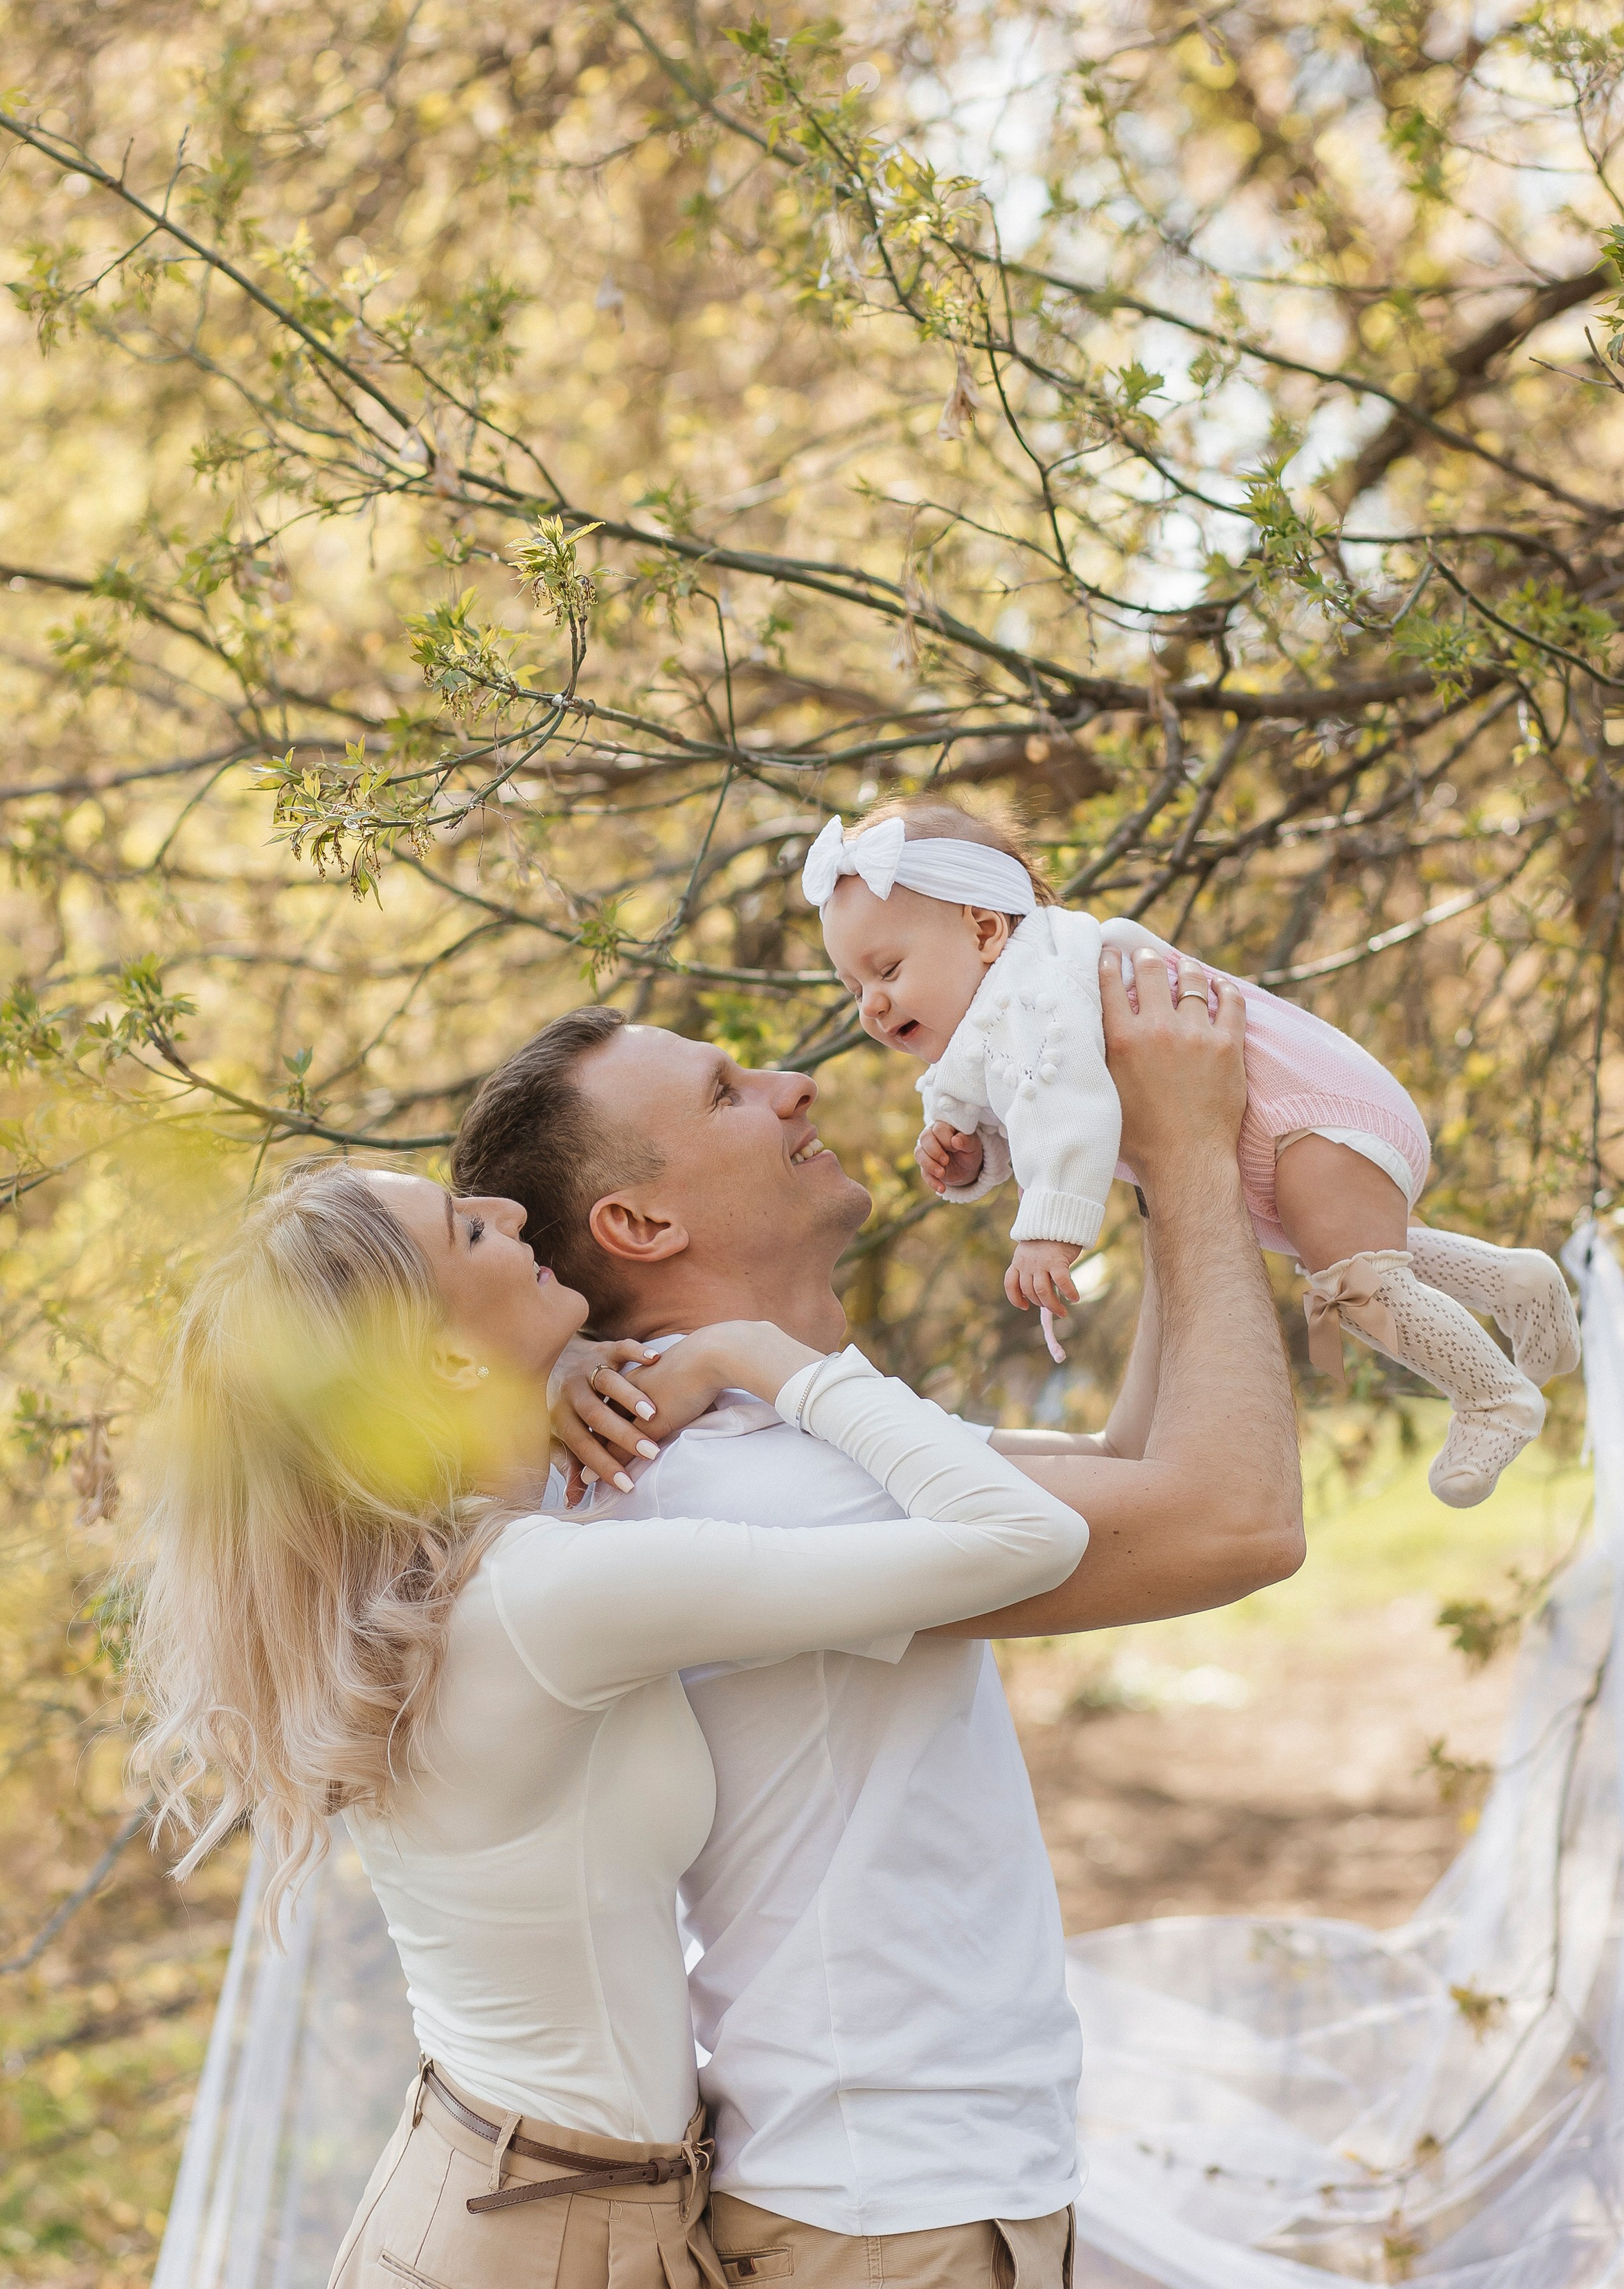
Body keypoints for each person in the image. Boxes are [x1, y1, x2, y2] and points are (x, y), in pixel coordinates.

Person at [449, 937, 1305, 2289]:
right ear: (640, 1227)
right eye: (729, 1093)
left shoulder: (773, 1431)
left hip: (910, 2190)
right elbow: (1231, 1521)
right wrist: (1198, 1159)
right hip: (887, 2217)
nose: (794, 1085)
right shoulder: (748, 1482)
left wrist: (1144, 1166)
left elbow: (1145, 1477)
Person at [127, 1162, 1089, 2289]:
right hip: (543, 2232)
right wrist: (757, 1358)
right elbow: (1027, 1541)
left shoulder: (420, 1582)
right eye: (469, 1230)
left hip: (507, 2190)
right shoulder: (547, 1599)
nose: (512, 1214)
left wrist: (547, 1365)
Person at [807, 795, 1579, 1508]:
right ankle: (1513, 1281)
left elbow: (1067, 1108)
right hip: (1278, 1140)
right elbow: (1025, 1110)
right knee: (1360, 1255)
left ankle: (1487, 1394)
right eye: (851, 987)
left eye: (888, 970)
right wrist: (973, 1157)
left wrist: (1046, 1229)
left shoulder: (1038, 983)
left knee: (1355, 1283)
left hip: (1302, 1113)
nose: (871, 1005)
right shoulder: (1000, 1016)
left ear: (984, 931)